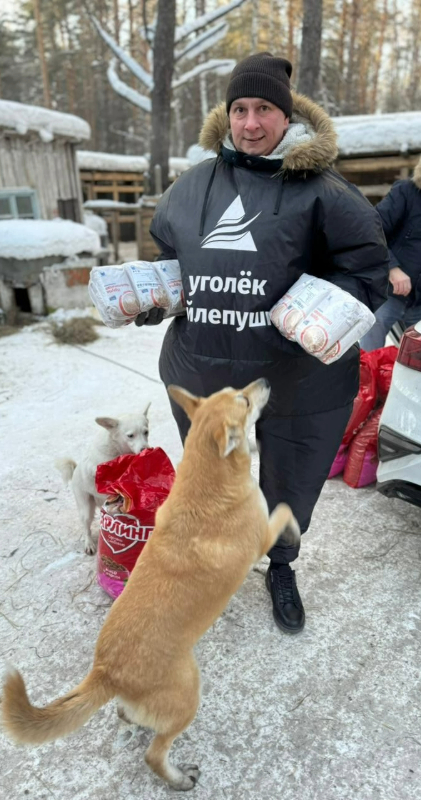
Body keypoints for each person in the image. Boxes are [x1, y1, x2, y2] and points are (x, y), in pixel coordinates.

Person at [140, 53, 390, 634]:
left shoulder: (324, 192)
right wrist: (149, 294)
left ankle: (280, 564)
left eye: (265, 110)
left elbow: (369, 270)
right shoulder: (190, 188)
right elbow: (167, 258)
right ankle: (213, 559)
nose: (251, 124)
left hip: (296, 373)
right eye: (240, 110)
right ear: (227, 116)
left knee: (293, 475)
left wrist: (325, 307)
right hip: (201, 367)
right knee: (210, 477)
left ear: (287, 115)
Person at [361, 164, 421, 349]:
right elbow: (370, 230)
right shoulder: (406, 192)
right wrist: (392, 269)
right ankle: (368, 375)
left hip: (419, 303)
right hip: (389, 291)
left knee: (414, 364)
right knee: (372, 331)